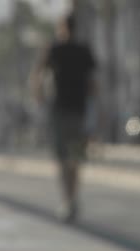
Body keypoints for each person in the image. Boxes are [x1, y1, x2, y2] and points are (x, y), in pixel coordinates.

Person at [29, 14, 96, 223]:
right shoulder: (80, 50)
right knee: (71, 159)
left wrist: (38, 94)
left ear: (61, 28)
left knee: (65, 159)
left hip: (63, 111)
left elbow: (37, 74)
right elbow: (94, 84)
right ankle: (71, 199)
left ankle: (69, 200)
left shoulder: (57, 49)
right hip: (75, 111)